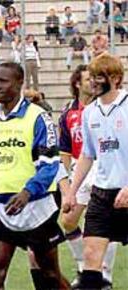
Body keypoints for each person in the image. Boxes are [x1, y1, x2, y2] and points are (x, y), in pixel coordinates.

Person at [0, 62, 67, 290]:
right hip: (1, 208)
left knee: (50, 275)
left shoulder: (38, 117)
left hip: (36, 208)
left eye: (2, 81)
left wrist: (28, 192)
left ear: (19, 83)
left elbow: (50, 163)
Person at [62, 53, 128, 290]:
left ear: (116, 78)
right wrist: (71, 192)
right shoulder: (89, 113)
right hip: (102, 195)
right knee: (90, 258)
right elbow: (87, 155)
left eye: (100, 77)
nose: (94, 82)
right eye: (92, 77)